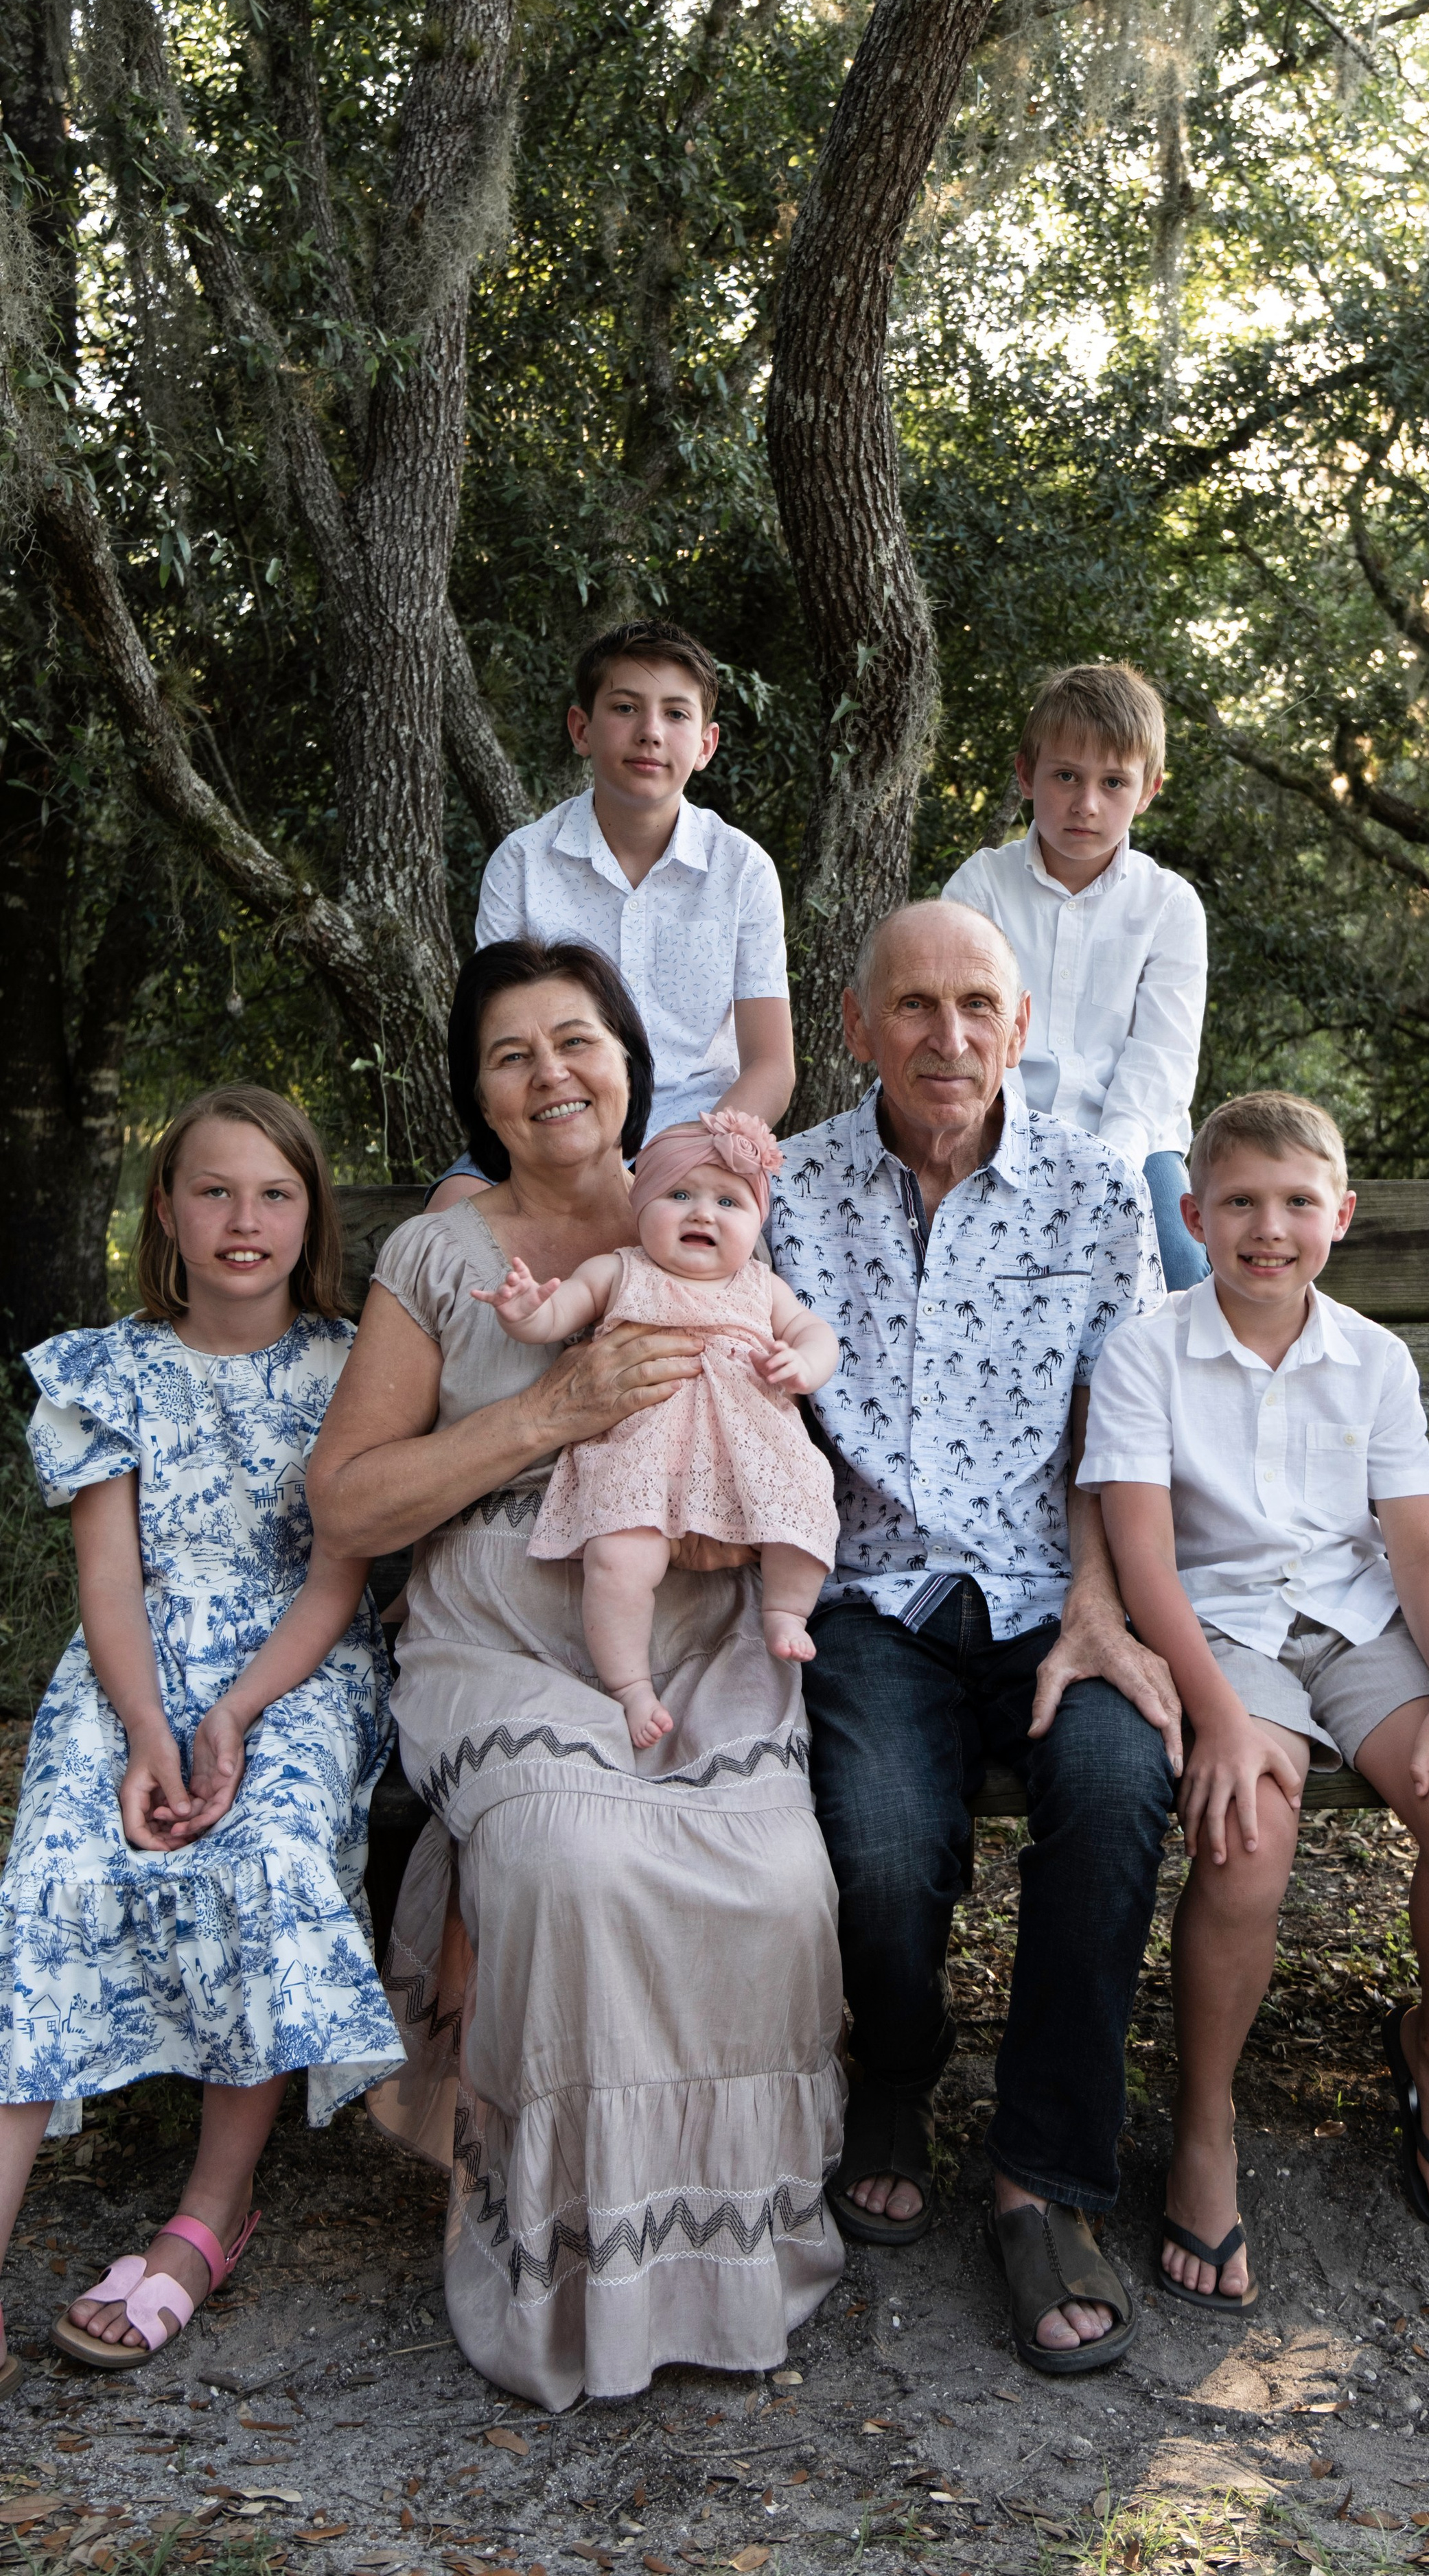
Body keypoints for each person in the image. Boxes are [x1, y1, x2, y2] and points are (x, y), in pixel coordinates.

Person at [306, 938, 844, 2410]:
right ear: (479, 1094)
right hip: (502, 1635)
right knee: (571, 1866)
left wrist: (746, 1521)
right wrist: (551, 1409)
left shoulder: (714, 1214)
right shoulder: (444, 1255)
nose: (549, 1074)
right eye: (509, 1054)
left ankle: (724, 2264)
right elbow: (346, 1506)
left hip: (698, 1634)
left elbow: (799, 1394)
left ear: (626, 1058)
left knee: (780, 1883)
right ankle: (569, 2276)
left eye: (575, 1041)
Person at [769, 899, 1175, 2378]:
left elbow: (1107, 1425)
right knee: (877, 1846)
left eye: (976, 1007)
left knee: (1119, 1783)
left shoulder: (1093, 1196)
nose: (948, 1037)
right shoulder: (786, 1191)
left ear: (1020, 1028)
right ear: (857, 1023)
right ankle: (896, 2064)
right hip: (863, 1589)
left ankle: (1041, 2175)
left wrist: (1095, 1606)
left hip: (1046, 1589)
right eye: (915, 1006)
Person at [1080, 1091, 1429, 2308]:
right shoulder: (1145, 1351)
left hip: (1357, 1624)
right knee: (1247, 1836)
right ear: (1194, 1216)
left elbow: (1418, 1544)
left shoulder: (1371, 1360)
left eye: (1294, 1205)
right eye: (1238, 1204)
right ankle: (1207, 2119)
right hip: (1221, 1633)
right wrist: (1221, 1717)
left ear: (1341, 1216)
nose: (1266, 1231)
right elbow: (1144, 1560)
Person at [0, 1088, 399, 2398]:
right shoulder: (106, 1369)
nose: (244, 1221)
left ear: (310, 1215)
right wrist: (143, 1732)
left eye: (274, 1194)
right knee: (52, 1864)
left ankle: (210, 2210)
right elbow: (109, 1583)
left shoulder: (356, 1364)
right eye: (214, 1192)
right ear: (165, 1211)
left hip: (296, 1667)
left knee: (270, 1849)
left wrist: (233, 1715)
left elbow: (337, 1582)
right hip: (134, 1669)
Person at [476, 1108, 839, 1738]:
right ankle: (631, 1685)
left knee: (804, 1502)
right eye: (679, 1195)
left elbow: (817, 1333)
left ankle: (786, 1611)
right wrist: (523, 1312)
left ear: (757, 1223)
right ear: (641, 1205)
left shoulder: (761, 1285)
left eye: (728, 1201)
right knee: (617, 1561)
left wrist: (803, 1363)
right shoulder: (617, 1271)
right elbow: (553, 1318)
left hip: (750, 1455)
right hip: (639, 1454)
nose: (702, 1213)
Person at [430, 620, 793, 1208]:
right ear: (582, 729)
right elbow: (495, 1043)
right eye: (625, 707)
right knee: (447, 1223)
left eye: (677, 714)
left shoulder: (742, 869)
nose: (650, 732)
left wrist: (686, 1153)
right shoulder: (523, 863)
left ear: (706, 744)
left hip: (695, 1136)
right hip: (554, 1121)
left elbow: (772, 1066)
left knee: (713, 1257)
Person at [941, 661, 1208, 1289]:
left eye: (1114, 782)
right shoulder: (981, 886)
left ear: (1148, 792)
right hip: (993, 1127)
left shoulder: (1168, 906)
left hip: (1135, 1143)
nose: (1086, 804)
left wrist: (1107, 1167)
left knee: (1179, 1272)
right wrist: (1023, 1149)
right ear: (1026, 775)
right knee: (965, 1267)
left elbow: (1160, 1062)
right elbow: (969, 1033)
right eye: (1066, 776)